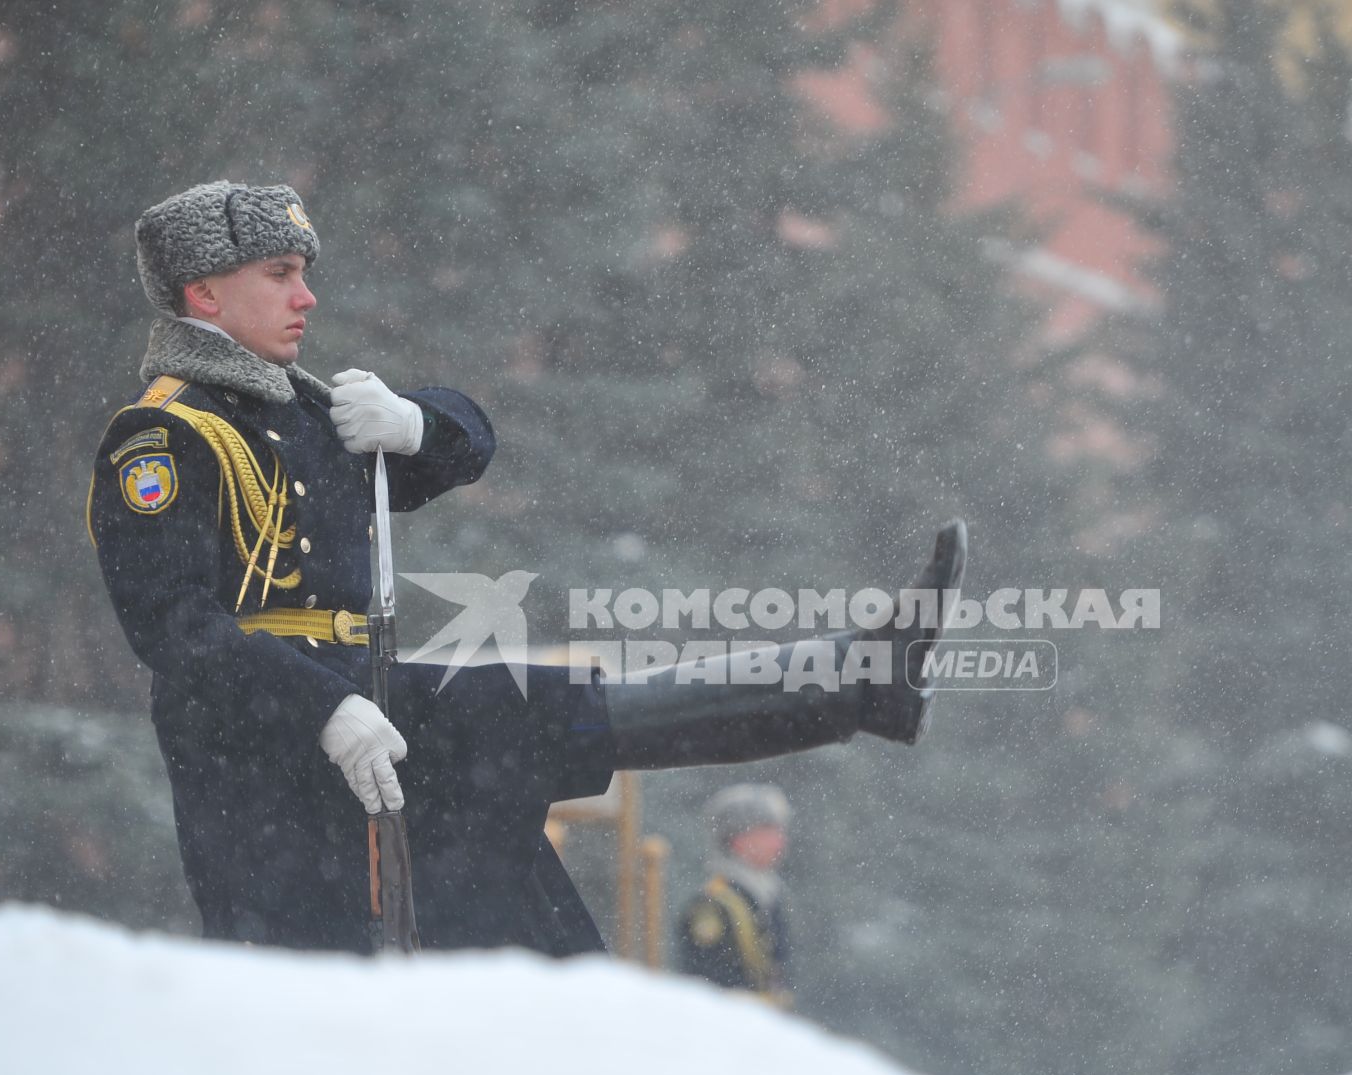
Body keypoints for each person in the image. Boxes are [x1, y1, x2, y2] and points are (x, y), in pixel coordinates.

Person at [89, 180, 965, 957]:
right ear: (203, 294)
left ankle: (858, 679)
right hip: (262, 749)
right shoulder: (164, 436)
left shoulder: (307, 411)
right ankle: (857, 681)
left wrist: (417, 426)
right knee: (327, 954)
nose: (307, 295)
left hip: (369, 704)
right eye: (279, 272)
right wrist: (323, 706)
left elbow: (468, 444)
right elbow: (174, 626)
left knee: (529, 766)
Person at [678, 784, 795, 1005]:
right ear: (739, 837)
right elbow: (709, 987)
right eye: (769, 830)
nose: (780, 841)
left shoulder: (768, 895)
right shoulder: (714, 904)